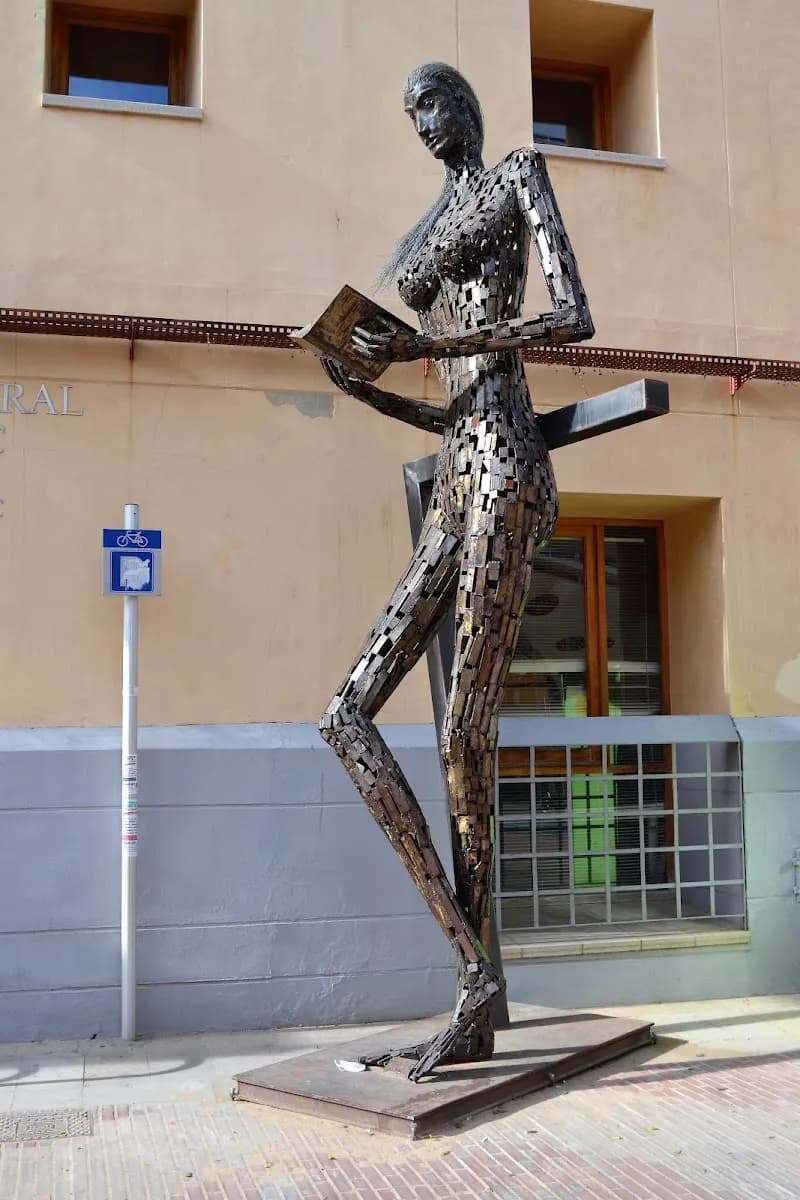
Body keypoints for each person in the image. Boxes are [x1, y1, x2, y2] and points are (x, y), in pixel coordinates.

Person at [319, 61, 594, 1080]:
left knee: (457, 730)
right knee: (344, 715)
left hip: (508, 470)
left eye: (435, 102)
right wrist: (367, 390)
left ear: (468, 106)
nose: (426, 123)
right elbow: (450, 403)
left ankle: (475, 991)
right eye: (410, 113)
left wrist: (457, 342)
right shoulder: (428, 218)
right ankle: (472, 969)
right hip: (453, 473)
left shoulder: (517, 175)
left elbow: (571, 314)